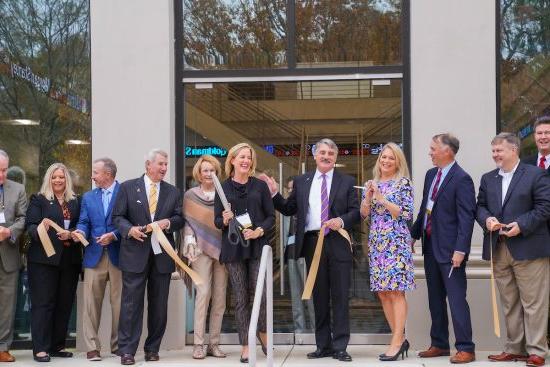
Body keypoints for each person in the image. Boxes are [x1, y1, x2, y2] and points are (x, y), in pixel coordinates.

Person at [260, 138, 360, 362]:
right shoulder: (301, 181)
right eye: (322, 152)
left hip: (338, 241)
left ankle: (340, 346)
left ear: (335, 158)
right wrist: (275, 194)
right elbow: (288, 209)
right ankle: (323, 345)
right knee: (319, 296)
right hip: (312, 244)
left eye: (330, 153)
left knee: (341, 295)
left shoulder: (347, 181)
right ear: (314, 155)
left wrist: (341, 221)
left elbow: (355, 213)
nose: (326, 156)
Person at [476, 132, 550, 367]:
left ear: (514, 150)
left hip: (529, 248)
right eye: (493, 150)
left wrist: (521, 225)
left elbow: (545, 207)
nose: (495, 155)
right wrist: (487, 220)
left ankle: (537, 350)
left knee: (534, 303)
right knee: (510, 303)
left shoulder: (535, 175)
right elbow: (480, 207)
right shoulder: (488, 179)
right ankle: (514, 348)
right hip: (499, 248)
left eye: (499, 150)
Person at [112, 149, 184, 365]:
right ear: (148, 165)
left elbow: (180, 218)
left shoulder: (173, 192)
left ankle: (152, 349)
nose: (164, 168)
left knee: (159, 306)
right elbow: (118, 217)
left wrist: (168, 223)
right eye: (160, 164)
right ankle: (127, 351)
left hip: (162, 257)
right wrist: (130, 230)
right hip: (134, 254)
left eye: (166, 164)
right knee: (131, 305)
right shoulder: (127, 187)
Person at [410, 133, 476, 364]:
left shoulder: (462, 179)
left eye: (433, 148)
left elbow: (466, 218)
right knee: (435, 299)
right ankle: (439, 344)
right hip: (430, 247)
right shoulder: (431, 175)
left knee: (456, 299)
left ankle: (466, 348)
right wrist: (413, 235)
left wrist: (461, 250)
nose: (430, 152)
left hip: (451, 252)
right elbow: (424, 210)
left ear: (447, 150)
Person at [214, 143, 274, 363]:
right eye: (242, 157)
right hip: (234, 248)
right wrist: (225, 219)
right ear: (232, 160)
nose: (246, 161)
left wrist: (259, 231)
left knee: (261, 293)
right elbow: (217, 221)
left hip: (257, 245)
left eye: (249, 157)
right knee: (240, 298)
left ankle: (264, 333)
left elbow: (270, 217)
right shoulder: (223, 188)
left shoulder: (260, 186)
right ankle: (246, 344)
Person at [360, 142, 415, 361]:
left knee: (396, 291)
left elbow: (407, 214)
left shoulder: (403, 183)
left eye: (391, 158)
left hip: (396, 242)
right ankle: (399, 339)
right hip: (377, 243)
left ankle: (396, 340)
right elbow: (364, 214)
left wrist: (382, 199)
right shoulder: (373, 182)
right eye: (383, 157)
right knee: (383, 292)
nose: (386, 161)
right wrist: (368, 196)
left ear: (398, 161)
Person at [25, 163, 82, 362]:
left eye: (62, 177)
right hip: (43, 260)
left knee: (64, 303)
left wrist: (74, 233)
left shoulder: (75, 201)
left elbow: (80, 225)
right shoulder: (39, 200)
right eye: (54, 177)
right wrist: (43, 231)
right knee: (43, 304)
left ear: (67, 179)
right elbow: (30, 226)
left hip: (69, 260)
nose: (58, 180)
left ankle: (57, 345)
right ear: (48, 179)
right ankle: (41, 348)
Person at [72, 158, 122, 361]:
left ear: (108, 174)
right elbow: (84, 221)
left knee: (120, 304)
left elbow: (130, 221)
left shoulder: (125, 192)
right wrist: (80, 232)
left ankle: (118, 345)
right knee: (91, 304)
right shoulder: (88, 197)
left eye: (95, 172)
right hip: (94, 256)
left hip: (119, 255)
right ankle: (92, 347)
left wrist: (115, 234)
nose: (92, 176)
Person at [181, 155, 227, 359]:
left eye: (212, 170)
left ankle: (213, 344)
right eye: (205, 170)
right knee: (203, 295)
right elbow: (187, 222)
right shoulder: (190, 195)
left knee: (220, 298)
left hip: (223, 249)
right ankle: (198, 344)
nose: (209, 174)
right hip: (199, 250)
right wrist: (190, 241)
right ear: (199, 174)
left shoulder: (224, 194)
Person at [521, 116, 550, 349]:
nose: (543, 137)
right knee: (536, 298)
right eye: (539, 133)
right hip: (534, 239)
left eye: (547, 132)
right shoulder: (527, 164)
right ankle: (540, 344)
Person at [0, 150, 27, 363]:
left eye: (4, 169)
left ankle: (3, 346)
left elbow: (23, 218)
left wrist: (9, 231)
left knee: (7, 304)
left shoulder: (17, 189)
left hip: (7, 254)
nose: (2, 174)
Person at [283, 177, 315, 334]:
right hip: (290, 253)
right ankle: (299, 330)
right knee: (295, 295)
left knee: (310, 295)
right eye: (289, 189)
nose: (291, 191)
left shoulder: (307, 205)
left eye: (293, 189)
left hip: (304, 252)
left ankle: (317, 330)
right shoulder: (288, 207)